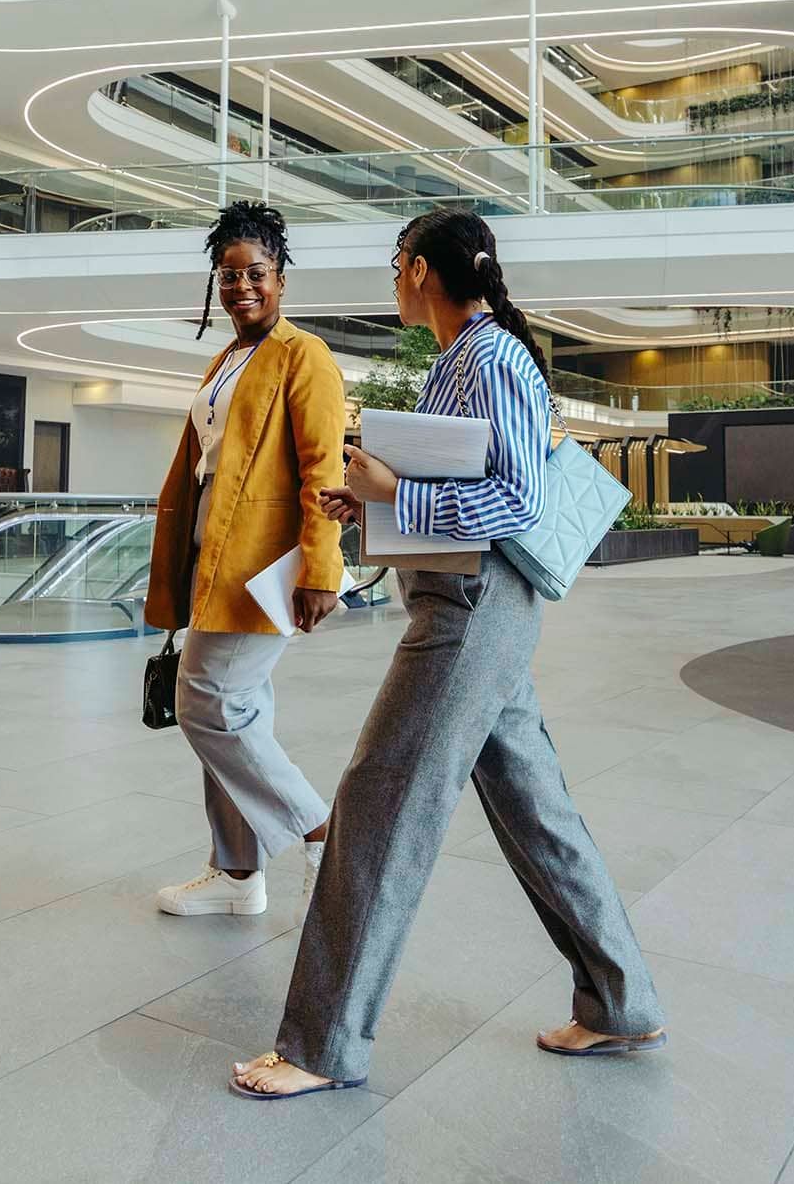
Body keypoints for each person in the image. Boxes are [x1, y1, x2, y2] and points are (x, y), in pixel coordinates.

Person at [230, 208, 666, 1100]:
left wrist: (398, 493)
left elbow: (515, 496)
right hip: (472, 608)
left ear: (423, 270)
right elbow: (458, 481)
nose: (393, 277)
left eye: (397, 262)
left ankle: (321, 1042)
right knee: (537, 811)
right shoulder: (465, 356)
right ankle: (622, 1002)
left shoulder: (492, 354)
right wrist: (373, 502)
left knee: (381, 805)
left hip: (470, 615)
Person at [142, 202, 345, 918]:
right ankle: (236, 876)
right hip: (211, 560)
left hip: (261, 567)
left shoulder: (304, 354)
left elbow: (325, 468)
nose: (241, 287)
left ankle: (324, 831)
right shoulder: (227, 357)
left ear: (281, 279)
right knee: (229, 708)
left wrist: (321, 568)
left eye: (255, 272)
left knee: (212, 705)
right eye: (228, 276)